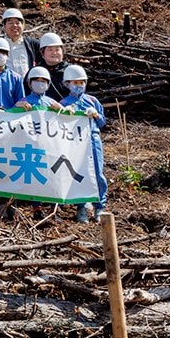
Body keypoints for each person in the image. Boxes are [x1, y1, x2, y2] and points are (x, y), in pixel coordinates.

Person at [60, 65, 106, 221]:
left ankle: (100, 207)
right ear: (67, 84)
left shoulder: (92, 101)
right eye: (75, 82)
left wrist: (96, 116)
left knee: (98, 173)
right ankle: (82, 207)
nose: (79, 86)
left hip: (93, 140)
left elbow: (103, 124)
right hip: (75, 143)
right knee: (79, 173)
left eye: (82, 82)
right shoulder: (64, 103)